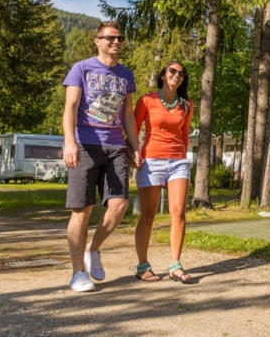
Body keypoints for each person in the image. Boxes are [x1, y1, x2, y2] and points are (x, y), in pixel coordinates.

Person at [63, 21, 142, 292]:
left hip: (116, 147)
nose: (116, 42)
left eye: (119, 37)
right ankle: (77, 273)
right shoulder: (81, 68)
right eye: (110, 38)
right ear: (97, 41)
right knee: (82, 211)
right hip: (85, 144)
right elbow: (71, 107)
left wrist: (135, 145)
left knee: (118, 206)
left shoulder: (126, 74)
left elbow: (128, 115)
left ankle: (93, 249)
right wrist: (69, 142)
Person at [133, 61, 194, 283]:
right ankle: (142, 265)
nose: (176, 75)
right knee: (147, 215)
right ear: (163, 75)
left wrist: (182, 154)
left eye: (181, 73)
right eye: (172, 71)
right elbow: (134, 127)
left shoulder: (186, 104)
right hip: (151, 161)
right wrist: (135, 152)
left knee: (178, 212)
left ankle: (175, 265)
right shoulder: (147, 100)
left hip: (177, 162)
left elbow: (185, 133)